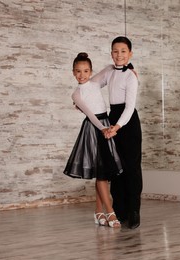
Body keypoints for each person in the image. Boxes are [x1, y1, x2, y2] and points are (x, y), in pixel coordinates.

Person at [63, 52, 122, 228]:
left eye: (86, 71)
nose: (82, 75)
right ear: (73, 72)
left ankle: (98, 211)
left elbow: (111, 67)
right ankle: (110, 212)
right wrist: (102, 128)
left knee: (102, 172)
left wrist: (131, 69)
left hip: (105, 125)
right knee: (101, 173)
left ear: (90, 71)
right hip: (94, 128)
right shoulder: (76, 94)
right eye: (78, 71)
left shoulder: (95, 82)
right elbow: (90, 114)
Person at [91, 36, 143, 229]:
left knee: (131, 168)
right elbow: (91, 85)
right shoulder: (108, 71)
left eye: (123, 51)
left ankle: (134, 211)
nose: (119, 55)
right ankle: (119, 210)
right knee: (115, 167)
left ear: (130, 54)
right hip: (113, 118)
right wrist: (79, 98)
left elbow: (130, 108)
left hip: (127, 123)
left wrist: (117, 127)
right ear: (111, 53)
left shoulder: (131, 76)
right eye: (115, 51)